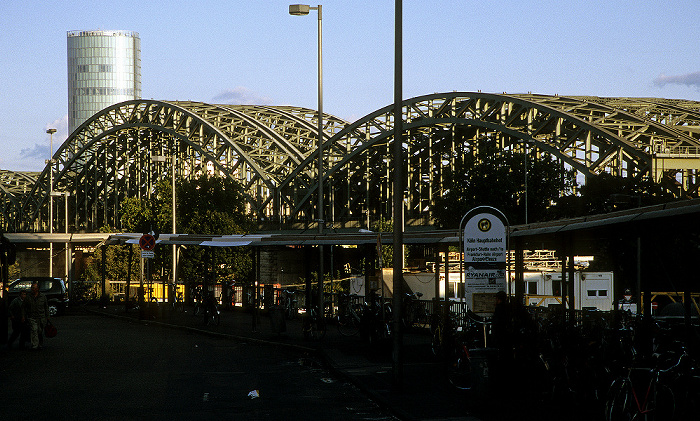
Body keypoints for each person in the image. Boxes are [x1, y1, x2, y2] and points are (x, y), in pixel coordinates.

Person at [24, 281, 50, 350]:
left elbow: (46, 307)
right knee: (34, 330)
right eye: (32, 288)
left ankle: (40, 344)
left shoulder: (43, 297)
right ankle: (34, 345)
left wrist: (48, 317)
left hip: (41, 317)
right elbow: (24, 307)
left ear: (38, 289)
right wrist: (23, 316)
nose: (33, 289)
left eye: (34, 288)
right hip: (32, 317)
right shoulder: (28, 297)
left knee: (39, 331)